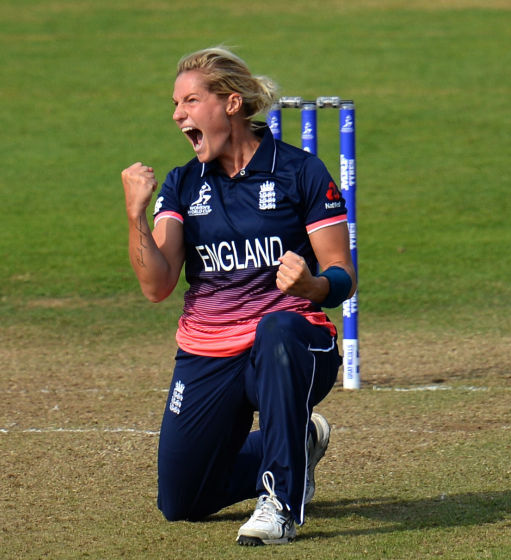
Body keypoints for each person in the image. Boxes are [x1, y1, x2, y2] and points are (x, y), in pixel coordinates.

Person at [120, 46, 356, 546]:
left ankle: (281, 505)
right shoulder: (183, 183)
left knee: (277, 328)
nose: (177, 114)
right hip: (208, 351)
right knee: (181, 503)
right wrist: (135, 215)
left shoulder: (300, 172)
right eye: (175, 104)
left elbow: (342, 275)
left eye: (189, 101)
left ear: (230, 104)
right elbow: (156, 285)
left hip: (294, 344)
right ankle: (301, 440)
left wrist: (312, 286)